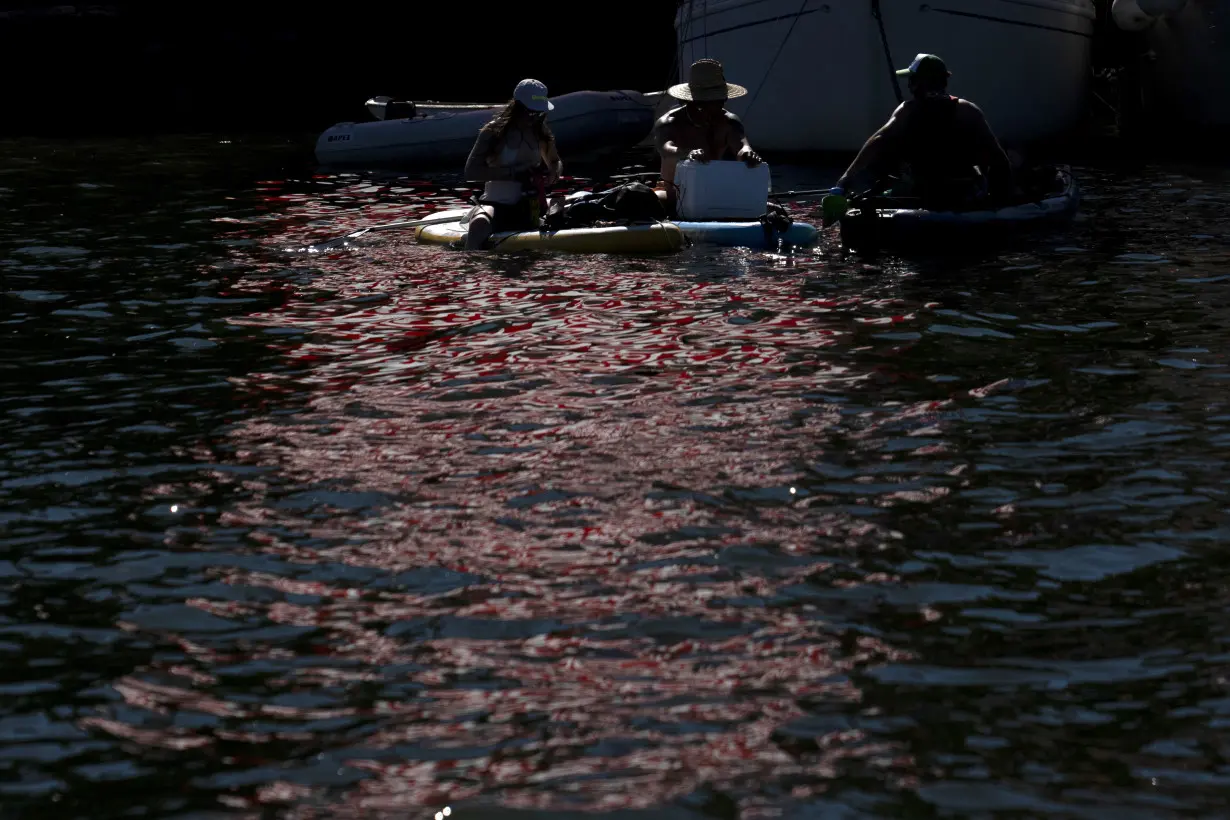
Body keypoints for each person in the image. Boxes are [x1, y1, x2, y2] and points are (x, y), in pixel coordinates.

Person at [830, 53, 1015, 210]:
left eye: (911, 80)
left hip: (921, 191)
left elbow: (879, 139)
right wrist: (1001, 199)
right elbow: (999, 160)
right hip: (961, 192)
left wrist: (846, 178)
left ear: (917, 83)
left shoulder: (908, 110)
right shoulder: (968, 110)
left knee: (885, 188)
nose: (909, 85)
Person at [462, 79, 563, 250]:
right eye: (531, 113)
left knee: (559, 210)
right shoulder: (492, 132)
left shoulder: (541, 133)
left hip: (530, 207)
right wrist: (513, 173)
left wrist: (554, 172)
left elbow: (555, 161)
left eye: (539, 113)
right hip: (497, 204)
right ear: (517, 107)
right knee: (479, 224)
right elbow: (471, 172)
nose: (534, 118)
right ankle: (471, 266)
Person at [652, 59, 762, 213]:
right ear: (695, 103)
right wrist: (687, 153)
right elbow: (666, 148)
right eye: (713, 103)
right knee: (652, 202)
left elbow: (742, 146)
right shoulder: (670, 123)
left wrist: (747, 154)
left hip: (715, 193)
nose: (721, 107)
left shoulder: (728, 122)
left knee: (771, 209)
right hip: (673, 195)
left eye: (721, 101)